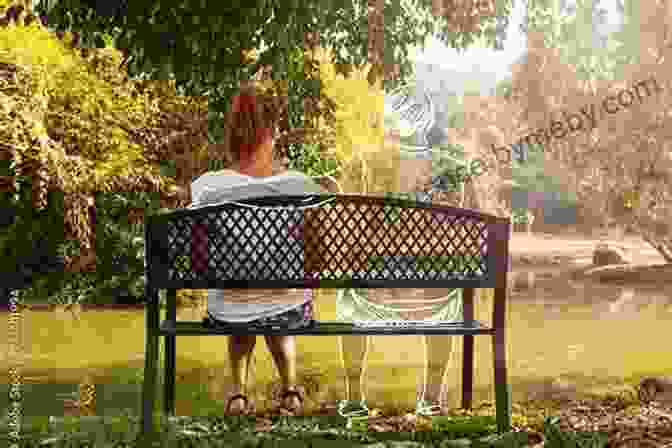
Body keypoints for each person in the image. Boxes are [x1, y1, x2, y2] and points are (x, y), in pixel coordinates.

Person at [189, 84, 324, 416]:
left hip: (230, 309)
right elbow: (317, 255)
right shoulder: (300, 185)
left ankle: (238, 396)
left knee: (239, 305)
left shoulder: (208, 186)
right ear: (273, 133)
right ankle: (291, 392)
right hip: (290, 307)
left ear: (233, 134)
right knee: (281, 301)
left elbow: (198, 259)